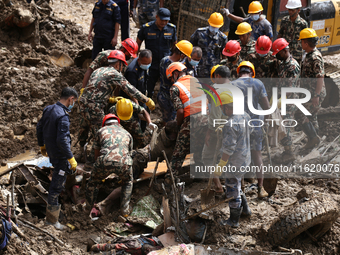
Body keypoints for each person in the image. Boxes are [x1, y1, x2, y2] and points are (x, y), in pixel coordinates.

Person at [78, 50, 155, 165]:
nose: (123, 68)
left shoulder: (99, 70)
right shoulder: (115, 74)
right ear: (118, 64)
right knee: (100, 134)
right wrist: (147, 100)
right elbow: (131, 90)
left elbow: (95, 89)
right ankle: (94, 165)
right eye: (122, 65)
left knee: (84, 126)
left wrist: (109, 99)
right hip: (95, 107)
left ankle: (81, 152)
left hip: (83, 103)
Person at [36, 87, 78, 230]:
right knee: (55, 187)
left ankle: (59, 210)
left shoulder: (48, 109)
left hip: (52, 152)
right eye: (74, 102)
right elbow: (62, 141)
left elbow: (39, 127)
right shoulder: (63, 116)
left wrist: (42, 145)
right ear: (71, 99)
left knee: (58, 181)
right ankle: (52, 221)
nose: (73, 105)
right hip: (60, 156)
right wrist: (70, 158)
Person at [214, 91, 252, 228]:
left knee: (232, 189)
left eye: (222, 107)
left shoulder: (230, 124)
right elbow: (250, 130)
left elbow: (228, 149)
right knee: (238, 184)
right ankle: (246, 211)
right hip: (245, 158)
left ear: (227, 107)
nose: (221, 110)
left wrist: (221, 165)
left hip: (234, 161)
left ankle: (233, 221)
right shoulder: (245, 115)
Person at [232, 61, 270, 198]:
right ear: (252, 73)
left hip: (238, 126)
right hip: (255, 125)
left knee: (237, 156)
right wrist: (265, 124)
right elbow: (266, 107)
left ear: (238, 72)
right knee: (257, 155)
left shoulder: (232, 85)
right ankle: (260, 188)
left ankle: (240, 189)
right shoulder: (258, 84)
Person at [85, 114, 133, 217]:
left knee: (93, 182)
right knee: (128, 182)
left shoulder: (101, 131)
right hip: (125, 163)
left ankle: (87, 209)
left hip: (105, 161)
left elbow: (96, 154)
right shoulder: (127, 133)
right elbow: (128, 153)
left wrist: (99, 172)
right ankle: (124, 211)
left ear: (104, 124)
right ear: (118, 123)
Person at [166, 62, 208, 176]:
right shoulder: (195, 80)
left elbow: (180, 111)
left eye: (171, 78)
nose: (171, 81)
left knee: (179, 153)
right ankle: (201, 174)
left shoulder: (175, 88)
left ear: (175, 73)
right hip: (207, 117)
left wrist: (179, 126)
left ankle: (170, 179)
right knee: (200, 146)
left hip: (192, 120)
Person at [272, 38, 300, 163]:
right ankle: (287, 151)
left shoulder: (292, 66)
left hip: (288, 101)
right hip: (283, 99)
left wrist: (279, 101)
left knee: (285, 126)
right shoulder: (284, 63)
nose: (276, 56)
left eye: (277, 53)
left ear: (283, 51)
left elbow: (290, 88)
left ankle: (289, 154)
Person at [296, 28, 326, 149]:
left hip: (314, 93)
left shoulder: (315, 57)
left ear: (306, 43)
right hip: (309, 92)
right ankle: (314, 141)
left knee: (300, 114)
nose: (300, 43)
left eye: (301, 41)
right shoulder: (308, 54)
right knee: (312, 116)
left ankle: (313, 138)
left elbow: (320, 76)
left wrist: (316, 96)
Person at [137, 8, 177, 96]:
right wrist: (136, 57)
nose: (164, 22)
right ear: (156, 17)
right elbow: (138, 43)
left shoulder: (172, 29)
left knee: (167, 85)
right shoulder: (146, 28)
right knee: (149, 85)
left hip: (166, 63)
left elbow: (174, 45)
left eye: (166, 20)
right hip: (152, 62)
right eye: (162, 20)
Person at [203, 65, 231, 195]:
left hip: (220, 128)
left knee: (208, 157)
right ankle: (232, 184)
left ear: (218, 76)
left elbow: (214, 115)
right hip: (234, 126)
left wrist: (209, 133)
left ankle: (218, 186)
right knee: (228, 155)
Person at [158, 40, 193, 123]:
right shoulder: (174, 67)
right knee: (170, 121)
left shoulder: (164, 59)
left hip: (162, 94)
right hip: (169, 98)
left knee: (167, 118)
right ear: (182, 55)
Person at [190, 12, 227, 79]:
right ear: (209, 23)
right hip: (198, 69)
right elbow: (190, 48)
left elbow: (224, 56)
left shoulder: (222, 38)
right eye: (213, 26)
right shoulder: (199, 33)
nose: (214, 28)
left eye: (216, 27)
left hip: (213, 72)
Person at [122, 49, 152, 130]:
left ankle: (143, 131)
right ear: (139, 60)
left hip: (141, 97)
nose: (147, 65)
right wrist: (138, 108)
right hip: (132, 101)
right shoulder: (132, 71)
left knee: (144, 119)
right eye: (145, 64)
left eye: (149, 63)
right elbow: (131, 92)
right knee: (136, 122)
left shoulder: (144, 63)